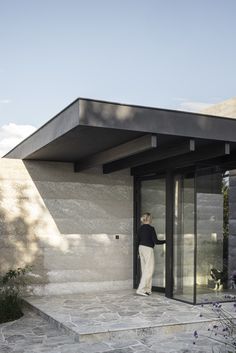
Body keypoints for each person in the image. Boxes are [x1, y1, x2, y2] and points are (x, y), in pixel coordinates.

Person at [136, 212, 166, 297]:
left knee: (145, 269)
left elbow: (137, 241)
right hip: (148, 249)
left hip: (141, 248)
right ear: (148, 219)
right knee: (149, 270)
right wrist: (166, 241)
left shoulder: (140, 228)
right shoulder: (151, 228)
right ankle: (141, 289)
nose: (152, 219)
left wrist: (138, 253)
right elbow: (156, 241)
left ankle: (147, 289)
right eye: (151, 218)